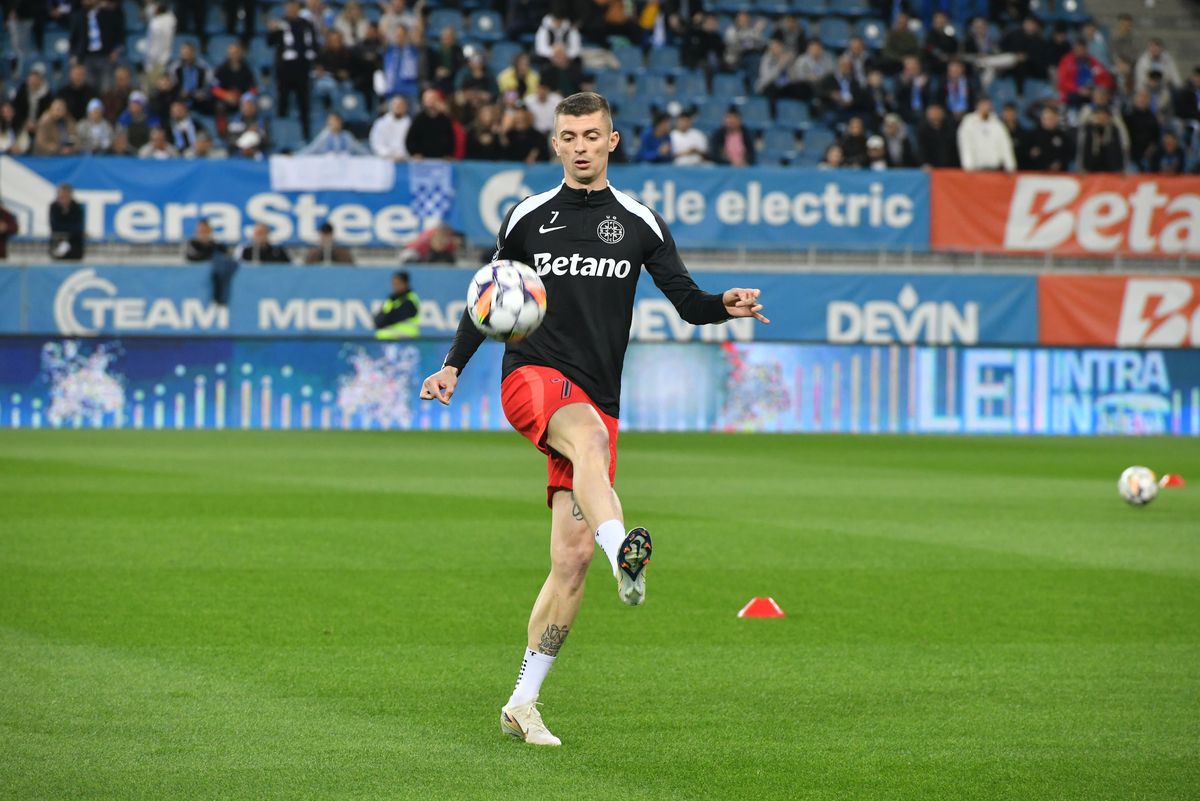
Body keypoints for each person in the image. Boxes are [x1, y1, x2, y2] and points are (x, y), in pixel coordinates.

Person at [418, 91, 768, 747]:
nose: (579, 145)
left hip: (598, 392)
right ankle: (624, 555)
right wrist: (453, 366)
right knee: (589, 439)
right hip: (532, 375)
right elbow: (488, 297)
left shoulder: (640, 221)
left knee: (568, 560)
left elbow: (688, 303)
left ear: (611, 142)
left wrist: (726, 303)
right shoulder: (528, 216)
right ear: (555, 144)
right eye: (568, 135)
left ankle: (523, 700)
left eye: (591, 134)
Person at [269, 0, 319, 139]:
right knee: (282, 103)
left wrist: (316, 63)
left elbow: (314, 46)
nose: (291, 9)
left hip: (302, 68)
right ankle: (281, 137)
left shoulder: (306, 24)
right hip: (284, 69)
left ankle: (306, 136)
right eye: (289, 6)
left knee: (304, 104)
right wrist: (273, 30)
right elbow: (270, 42)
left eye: (294, 6)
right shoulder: (280, 23)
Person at [956, 97, 1016, 172]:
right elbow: (965, 145)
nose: (985, 107)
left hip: (995, 168)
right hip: (976, 169)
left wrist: (1010, 165)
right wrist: (968, 166)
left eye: (987, 105)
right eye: (982, 104)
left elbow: (1005, 145)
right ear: (977, 106)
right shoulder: (969, 123)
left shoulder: (997, 124)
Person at [406, 88, 455, 159]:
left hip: (441, 160)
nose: (430, 101)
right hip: (422, 161)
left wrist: (448, 154)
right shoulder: (418, 119)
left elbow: (451, 139)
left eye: (432, 98)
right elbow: (410, 140)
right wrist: (415, 153)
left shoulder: (445, 119)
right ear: (423, 101)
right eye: (427, 99)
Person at [373, 270, 419, 338]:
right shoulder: (391, 299)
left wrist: (383, 319)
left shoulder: (410, 300)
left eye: (397, 283)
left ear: (405, 283)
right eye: (393, 284)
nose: (394, 286)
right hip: (385, 342)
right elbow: (377, 321)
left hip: (403, 340)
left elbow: (393, 317)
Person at [299, 112, 370, 155]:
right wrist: (297, 155)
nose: (334, 124)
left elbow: (359, 148)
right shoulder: (325, 135)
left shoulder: (346, 136)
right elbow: (312, 148)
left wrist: (371, 156)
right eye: (332, 121)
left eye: (336, 121)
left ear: (340, 123)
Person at [49, 183, 85, 260]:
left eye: (65, 196)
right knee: (59, 247)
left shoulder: (76, 207)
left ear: (70, 195)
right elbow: (55, 226)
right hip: (58, 241)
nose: (63, 199)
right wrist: (69, 229)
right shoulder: (54, 207)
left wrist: (67, 229)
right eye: (61, 196)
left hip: (74, 243)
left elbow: (78, 227)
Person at [370, 95, 411, 160]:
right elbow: (377, 144)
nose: (398, 107)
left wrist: (403, 155)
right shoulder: (381, 123)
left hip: (406, 159)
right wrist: (390, 155)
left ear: (405, 107)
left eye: (401, 105)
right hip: (386, 159)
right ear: (391, 106)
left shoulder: (410, 124)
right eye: (396, 105)